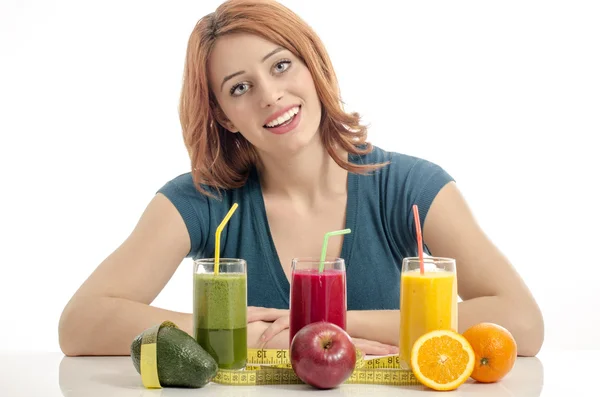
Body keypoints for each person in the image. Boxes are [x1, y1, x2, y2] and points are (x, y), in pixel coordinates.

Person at [58, 0, 544, 357]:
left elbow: (522, 322)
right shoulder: (202, 200)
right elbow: (79, 325)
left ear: (312, 68)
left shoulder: (410, 187)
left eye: (281, 65)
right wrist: (222, 332)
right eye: (240, 87)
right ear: (225, 116)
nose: (270, 95)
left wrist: (323, 323)